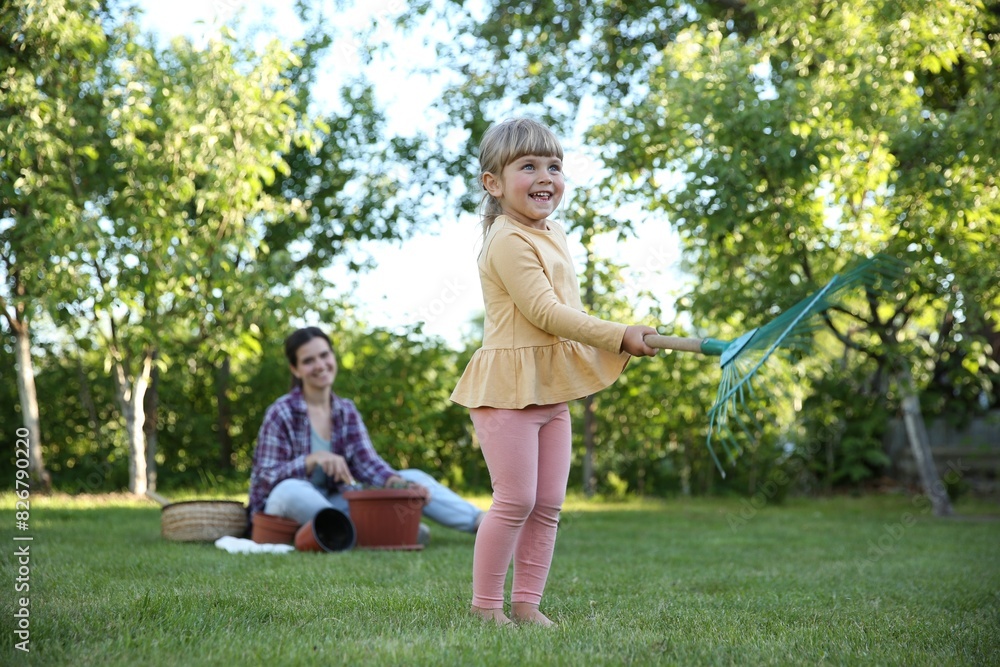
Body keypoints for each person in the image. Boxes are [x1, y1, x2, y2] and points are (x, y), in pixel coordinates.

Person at [450, 118, 659, 626]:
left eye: (554, 166)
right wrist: (617, 334)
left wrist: (620, 336)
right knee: (515, 499)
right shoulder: (506, 239)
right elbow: (545, 312)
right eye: (529, 166)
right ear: (494, 184)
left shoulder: (553, 232)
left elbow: (568, 307)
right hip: (506, 391)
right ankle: (485, 610)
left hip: (548, 387)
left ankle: (526, 606)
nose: (545, 176)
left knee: (546, 504)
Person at [249, 326, 484, 545]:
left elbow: (368, 463)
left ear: (333, 356)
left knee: (413, 477)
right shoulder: (281, 412)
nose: (320, 365)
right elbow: (264, 478)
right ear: (295, 369)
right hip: (285, 505)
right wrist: (311, 460)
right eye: (308, 361)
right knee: (290, 489)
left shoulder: (345, 411)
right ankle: (379, 533)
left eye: (324, 355)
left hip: (334, 503)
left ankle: (482, 522)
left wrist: (398, 484)